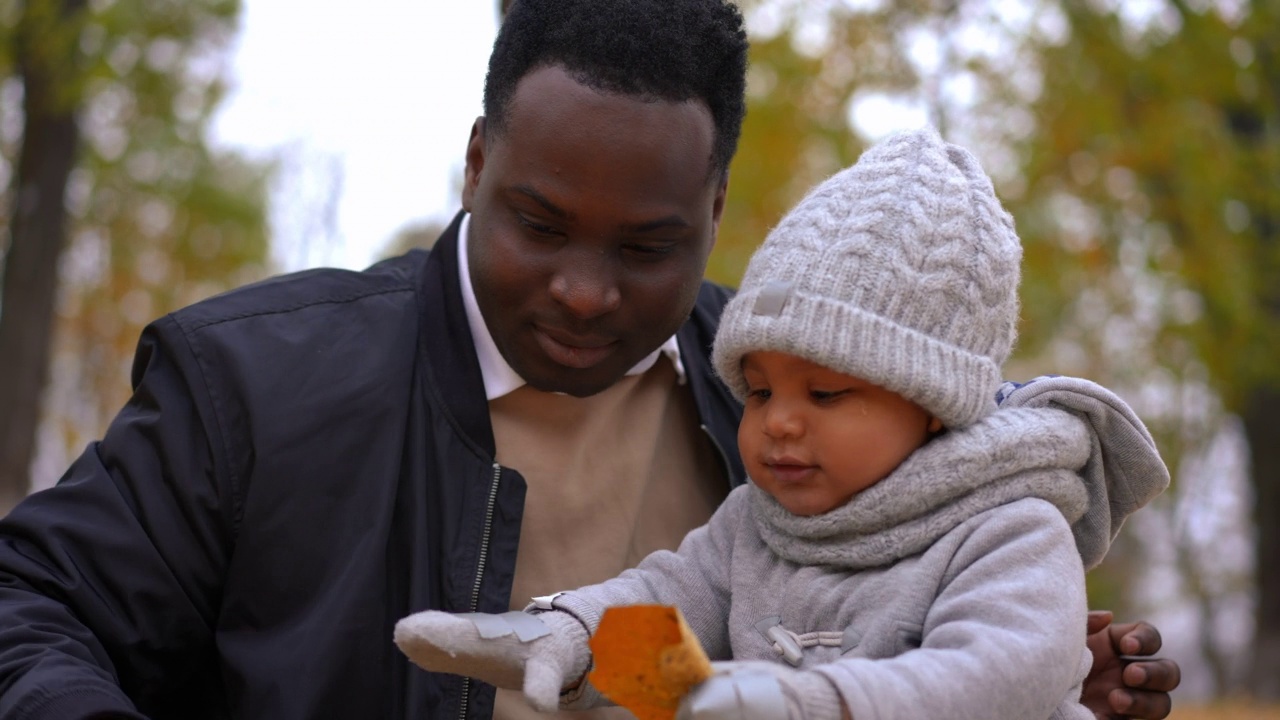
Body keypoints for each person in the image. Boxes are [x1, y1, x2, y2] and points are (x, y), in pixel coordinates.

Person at [0, 1, 1180, 718]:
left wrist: (1033, 685)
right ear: (473, 165)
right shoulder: (251, 387)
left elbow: (905, 634)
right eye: (541, 224)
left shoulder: (791, 390)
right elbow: (30, 605)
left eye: (647, 246)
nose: (581, 290)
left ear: (714, 211)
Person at [392, 127, 1170, 720]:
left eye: (824, 395)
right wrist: (573, 639)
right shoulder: (755, 526)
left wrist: (808, 702)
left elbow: (996, 678)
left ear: (933, 405)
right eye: (759, 392)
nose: (777, 426)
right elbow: (670, 621)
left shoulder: (1008, 532)